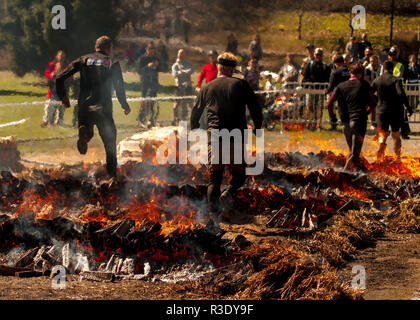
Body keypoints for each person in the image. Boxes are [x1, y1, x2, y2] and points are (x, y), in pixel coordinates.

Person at [190, 52, 262, 220]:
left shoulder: (208, 86)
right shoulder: (241, 84)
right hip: (236, 137)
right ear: (232, 69)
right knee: (239, 176)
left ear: (219, 68)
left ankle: (214, 218)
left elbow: (196, 111)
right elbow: (255, 107)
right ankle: (228, 192)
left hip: (214, 137)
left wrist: (194, 128)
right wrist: (257, 127)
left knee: (214, 179)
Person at [56, 35, 131, 178]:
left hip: (84, 108)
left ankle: (85, 133)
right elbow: (119, 86)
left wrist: (63, 97)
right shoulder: (111, 62)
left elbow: (59, 78)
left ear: (95, 48)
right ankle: (112, 178)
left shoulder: (84, 59)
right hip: (103, 110)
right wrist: (124, 104)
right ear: (109, 48)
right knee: (110, 146)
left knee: (88, 131)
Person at [327, 62, 376, 171]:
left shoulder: (341, 86)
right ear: (361, 73)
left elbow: (330, 103)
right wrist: (367, 112)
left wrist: (332, 116)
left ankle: (357, 173)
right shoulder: (364, 85)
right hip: (359, 121)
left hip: (345, 123)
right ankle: (344, 173)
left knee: (352, 151)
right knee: (354, 153)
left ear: (350, 73)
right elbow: (373, 102)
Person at [372, 61, 413, 161]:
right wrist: (408, 107)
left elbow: (370, 94)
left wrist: (373, 104)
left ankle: (379, 158)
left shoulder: (377, 80)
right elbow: (401, 94)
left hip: (381, 111)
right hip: (395, 111)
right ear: (392, 69)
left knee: (383, 135)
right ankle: (397, 157)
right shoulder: (396, 80)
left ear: (383, 69)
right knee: (396, 135)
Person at [302, 47, 331, 130]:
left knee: (319, 107)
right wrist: (308, 85)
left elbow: (327, 78)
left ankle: (318, 124)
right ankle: (308, 123)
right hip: (310, 89)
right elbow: (305, 76)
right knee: (309, 106)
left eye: (320, 54)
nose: (319, 56)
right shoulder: (309, 64)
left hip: (320, 90)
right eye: (317, 54)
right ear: (314, 54)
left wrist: (325, 88)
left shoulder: (325, 66)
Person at [41, 50, 68, 127]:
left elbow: (70, 78)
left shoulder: (67, 66)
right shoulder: (51, 64)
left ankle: (59, 121)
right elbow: (46, 73)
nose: (62, 57)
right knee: (49, 106)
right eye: (60, 55)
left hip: (63, 89)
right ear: (57, 56)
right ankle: (46, 121)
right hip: (53, 90)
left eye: (63, 55)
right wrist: (52, 75)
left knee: (61, 108)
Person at [136, 42, 160, 128]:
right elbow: (139, 71)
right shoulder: (142, 59)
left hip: (154, 83)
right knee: (144, 101)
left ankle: (151, 120)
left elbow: (164, 68)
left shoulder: (156, 58)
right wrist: (148, 66)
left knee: (152, 102)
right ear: (147, 50)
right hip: (145, 83)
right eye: (150, 49)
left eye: (153, 49)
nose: (152, 51)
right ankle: (141, 118)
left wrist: (158, 65)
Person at [326, 55, 350, 130]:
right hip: (351, 94)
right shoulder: (350, 70)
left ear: (336, 64)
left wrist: (326, 92)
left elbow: (331, 86)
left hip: (341, 95)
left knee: (340, 110)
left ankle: (336, 121)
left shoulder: (335, 72)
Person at [171, 49, 194, 125]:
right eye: (180, 53)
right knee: (176, 104)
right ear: (177, 55)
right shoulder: (175, 65)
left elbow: (190, 71)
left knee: (191, 104)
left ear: (185, 55)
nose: (181, 55)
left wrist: (181, 72)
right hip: (179, 87)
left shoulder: (189, 64)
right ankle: (173, 120)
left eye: (183, 53)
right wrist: (184, 72)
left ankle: (193, 120)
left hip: (188, 86)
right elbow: (174, 74)